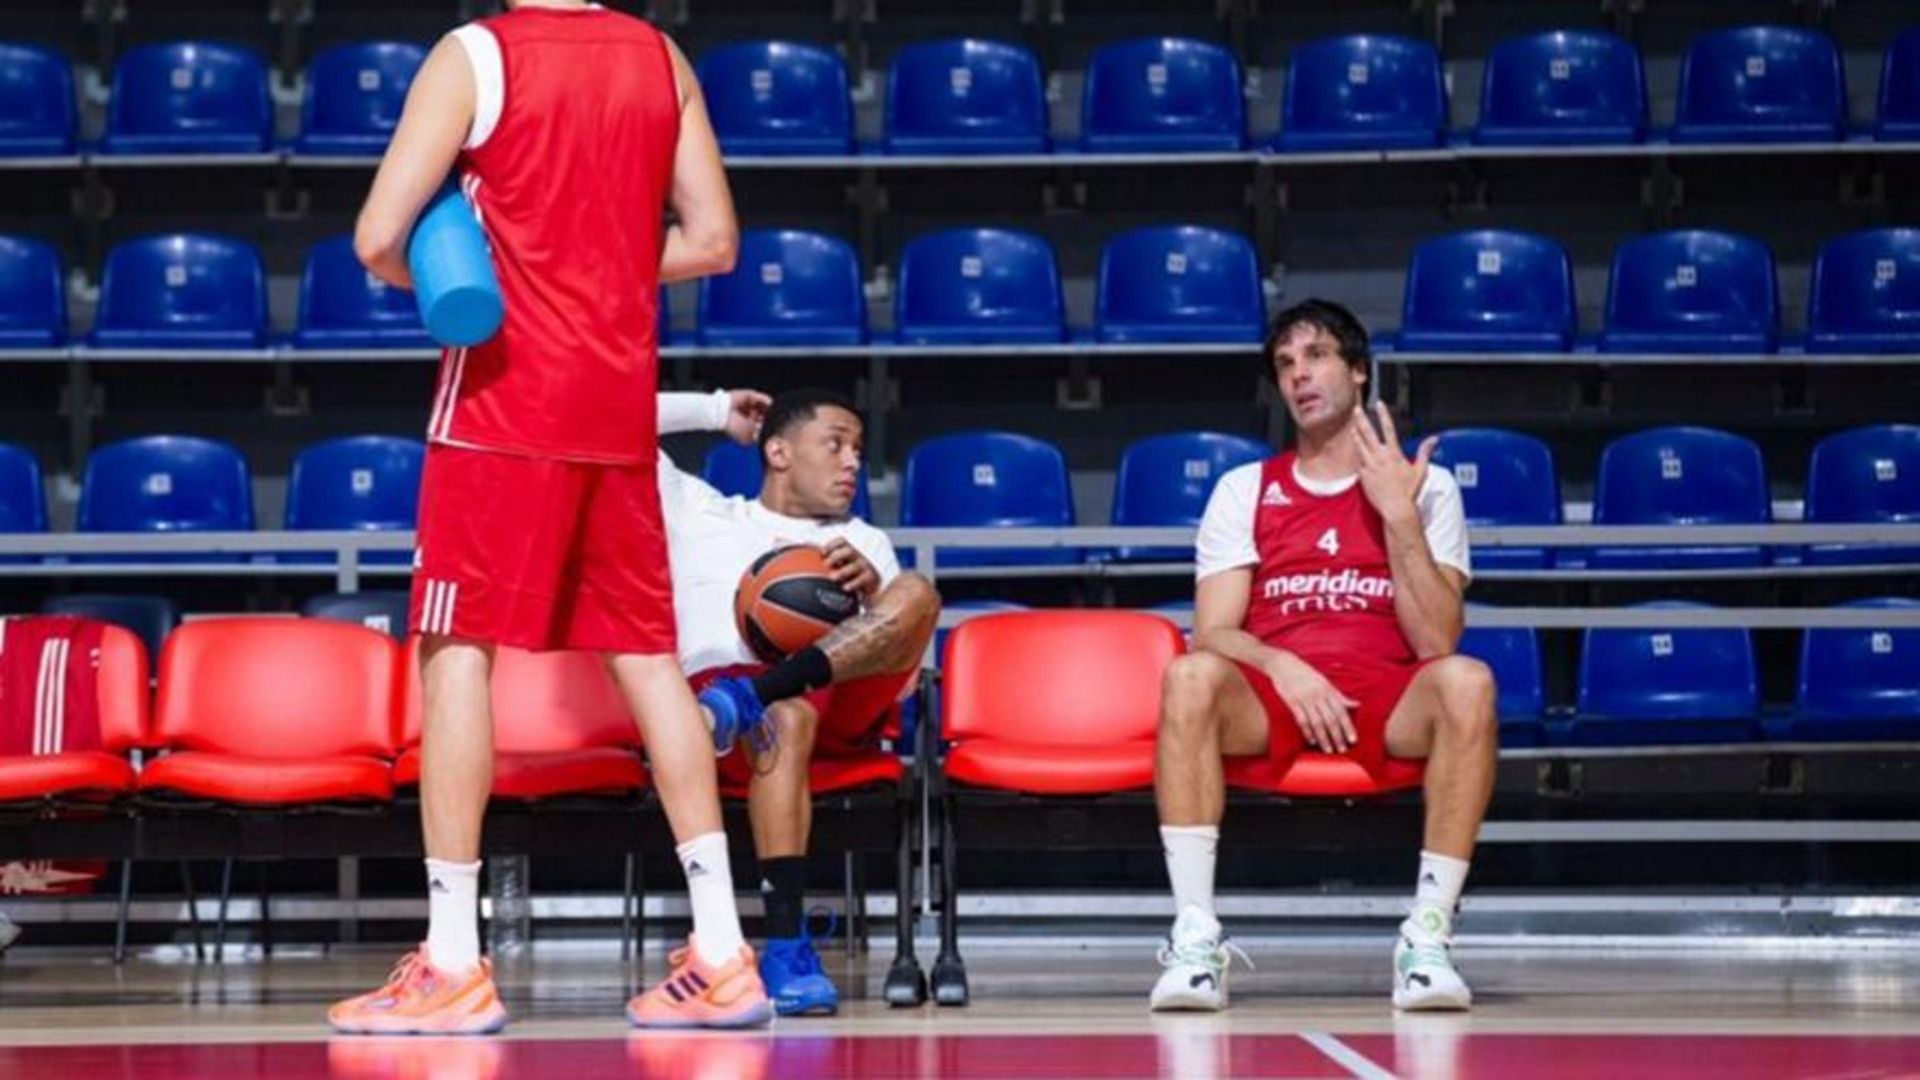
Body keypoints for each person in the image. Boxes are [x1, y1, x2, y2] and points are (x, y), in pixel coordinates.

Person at [328, 0, 769, 1034]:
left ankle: (452, 962)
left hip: (501, 406)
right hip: (615, 404)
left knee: (456, 651)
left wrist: (479, 268)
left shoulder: (474, 52)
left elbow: (379, 237)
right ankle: (723, 950)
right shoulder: (661, 56)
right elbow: (713, 241)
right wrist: (590, 261)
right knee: (648, 658)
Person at [1149, 299, 1496, 1013]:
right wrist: (1284, 668)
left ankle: (1427, 940)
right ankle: (1196, 939)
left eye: (1316, 356)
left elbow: (1436, 641)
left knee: (1468, 682)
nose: (1299, 376)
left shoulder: (1428, 487)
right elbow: (1213, 632)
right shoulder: (1245, 488)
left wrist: (1398, 515)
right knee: (1188, 676)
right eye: (1285, 365)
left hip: (1387, 693)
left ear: (1359, 370)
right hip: (1273, 693)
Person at [659, 387, 941, 1016]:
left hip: (830, 701)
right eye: (835, 444)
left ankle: (752, 697)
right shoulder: (700, 511)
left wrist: (872, 598)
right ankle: (787, 946)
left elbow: (899, 680)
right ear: (778, 451)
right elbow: (610, 419)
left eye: (858, 450)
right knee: (782, 719)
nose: (852, 463)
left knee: (917, 591)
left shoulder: (863, 541)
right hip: (713, 723)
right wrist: (714, 411)